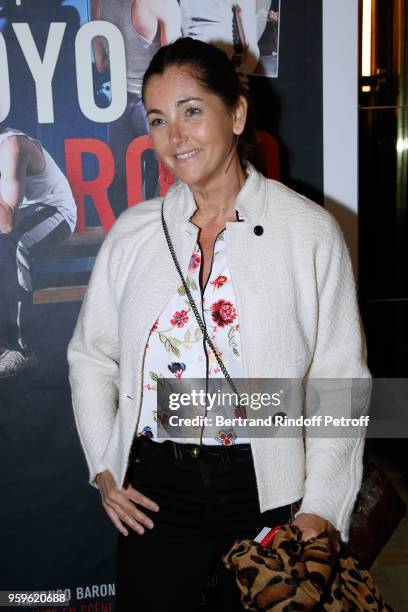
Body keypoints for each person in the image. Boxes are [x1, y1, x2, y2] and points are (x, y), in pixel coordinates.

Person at [68, 38, 370, 612]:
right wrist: (105, 468)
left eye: (191, 110)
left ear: (235, 112)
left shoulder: (307, 231)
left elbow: (339, 376)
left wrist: (323, 505)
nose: (173, 135)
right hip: (156, 483)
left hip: (268, 483)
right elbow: (91, 355)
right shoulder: (134, 233)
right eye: (158, 119)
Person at [0, 127, 76, 379]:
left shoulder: (13, 146)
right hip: (20, 214)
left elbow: (7, 222)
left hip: (55, 213)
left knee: (11, 243)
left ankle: (18, 349)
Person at [92, 0, 181, 214]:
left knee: (120, 174)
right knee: (164, 173)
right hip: (153, 102)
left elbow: (101, 64)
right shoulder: (162, 4)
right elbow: (174, 68)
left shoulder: (99, 3)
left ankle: (126, 233)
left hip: (119, 102)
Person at [180, 0, 259, 84]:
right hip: (220, 63)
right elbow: (249, 43)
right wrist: (243, 73)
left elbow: (183, 28)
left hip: (190, 62)